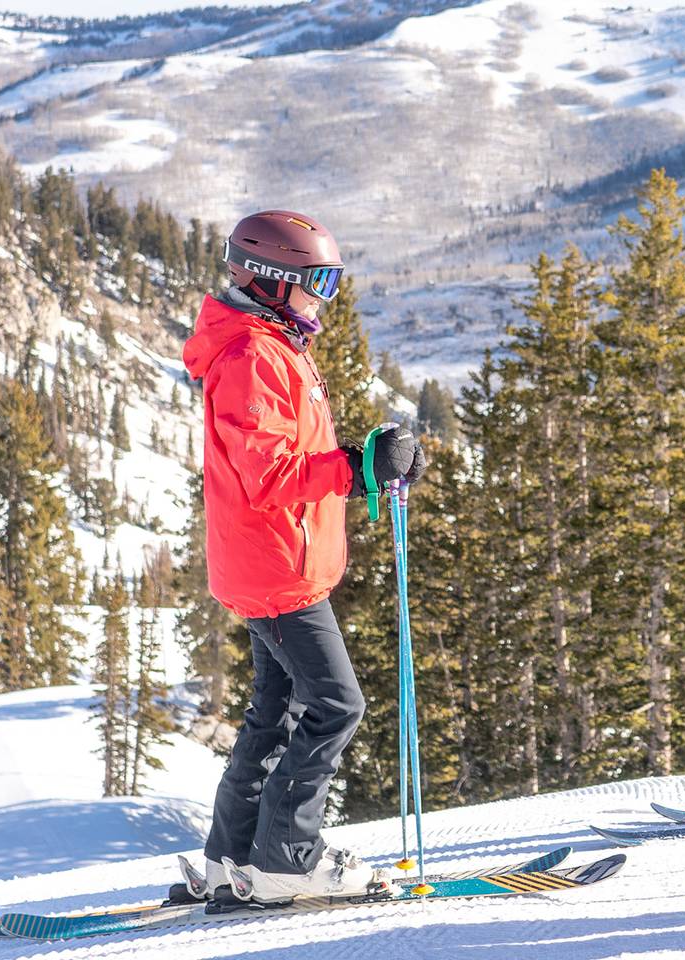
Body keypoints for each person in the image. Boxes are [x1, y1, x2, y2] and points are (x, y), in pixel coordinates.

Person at [181, 210, 426, 903]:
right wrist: (357, 470)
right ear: (272, 280)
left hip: (270, 564)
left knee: (277, 710)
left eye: (332, 282)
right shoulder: (255, 356)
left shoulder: (270, 343)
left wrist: (362, 460)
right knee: (336, 707)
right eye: (317, 281)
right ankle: (287, 856)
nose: (326, 297)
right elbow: (269, 475)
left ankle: (233, 856)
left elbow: (290, 453)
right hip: (277, 570)